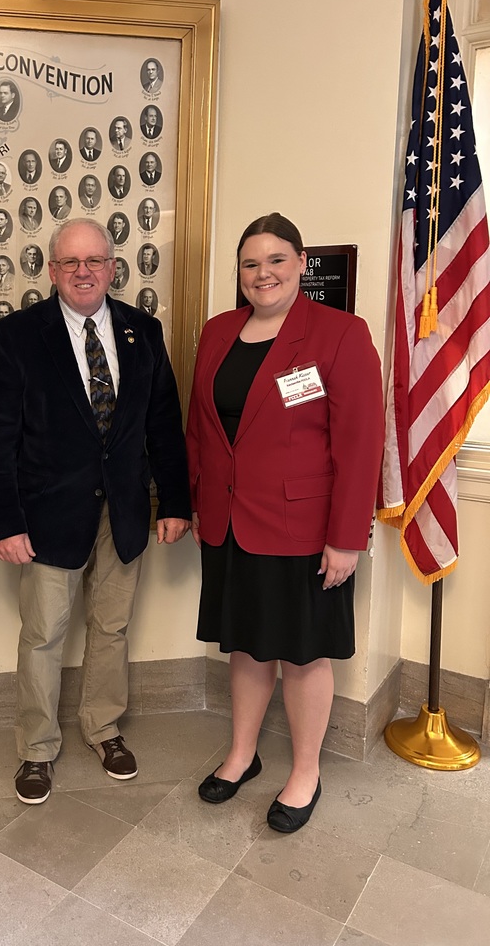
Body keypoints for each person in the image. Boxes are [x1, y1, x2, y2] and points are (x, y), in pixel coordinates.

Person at [0, 218, 191, 805]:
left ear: (112, 267)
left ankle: (103, 727)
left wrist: (173, 501)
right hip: (47, 516)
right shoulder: (21, 335)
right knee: (44, 633)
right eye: (70, 262)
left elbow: (163, 424)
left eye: (94, 260)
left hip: (122, 512)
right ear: (51, 271)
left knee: (112, 627)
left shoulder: (142, 331)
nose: (83, 272)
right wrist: (6, 519)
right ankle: (37, 749)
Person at [186, 213, 384, 833]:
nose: (262, 273)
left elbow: (360, 443)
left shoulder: (340, 335)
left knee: (301, 654)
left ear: (301, 263)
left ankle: (305, 771)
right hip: (229, 523)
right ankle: (242, 755)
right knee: (245, 644)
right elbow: (202, 430)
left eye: (275, 260)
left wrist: (346, 538)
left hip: (305, 530)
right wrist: (197, 502)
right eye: (249, 263)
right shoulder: (218, 333)